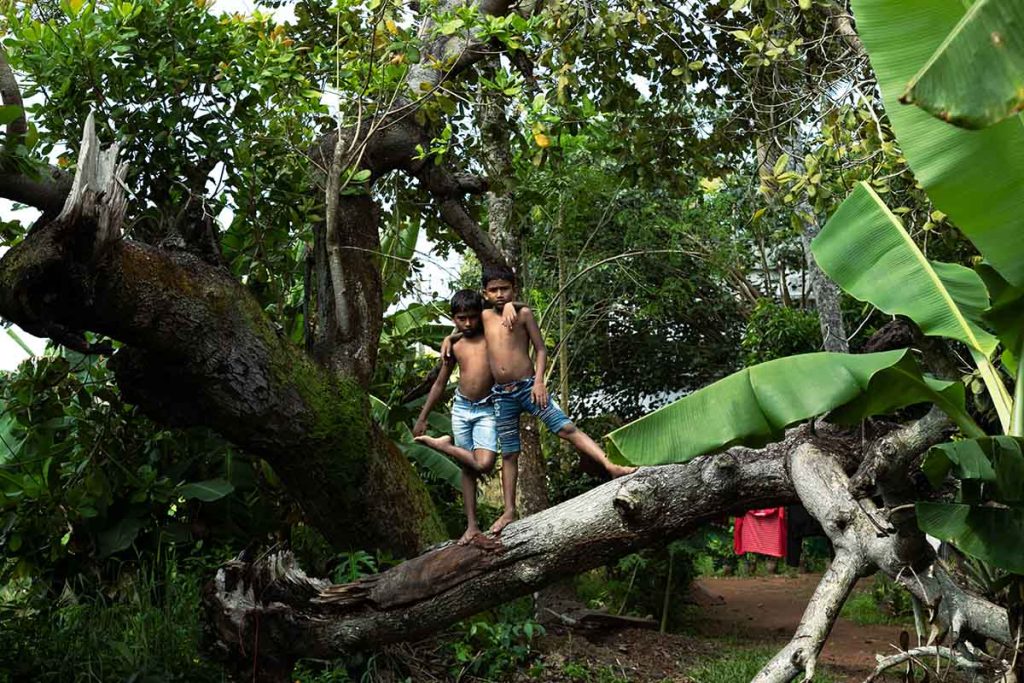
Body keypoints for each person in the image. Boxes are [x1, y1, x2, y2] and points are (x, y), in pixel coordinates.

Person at [465, 264, 637, 534]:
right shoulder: (484, 316)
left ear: (514, 289)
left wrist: (539, 381)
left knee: (566, 427)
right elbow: (462, 325)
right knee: (509, 453)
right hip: (501, 395)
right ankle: (509, 510)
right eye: (494, 290)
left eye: (505, 289)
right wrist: (446, 342)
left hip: (528, 387)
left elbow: (541, 348)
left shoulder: (523, 314)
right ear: (484, 293)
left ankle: (609, 465)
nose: (500, 294)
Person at [412, 290, 498, 545]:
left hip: (487, 409)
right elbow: (439, 384)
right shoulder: (456, 346)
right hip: (462, 408)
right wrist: (423, 417)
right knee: (468, 468)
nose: (468, 323)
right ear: (454, 318)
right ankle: (471, 526)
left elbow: (511, 310)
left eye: (472, 317)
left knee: (483, 464)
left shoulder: (491, 338)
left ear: (480, 316)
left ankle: (444, 446)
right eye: (462, 318)